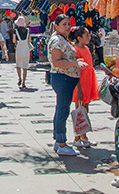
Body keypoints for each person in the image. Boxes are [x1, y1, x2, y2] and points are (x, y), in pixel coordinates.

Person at [48, 14, 86, 157]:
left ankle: (59, 140)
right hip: (62, 78)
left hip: (68, 78)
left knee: (62, 109)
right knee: (62, 110)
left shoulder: (64, 39)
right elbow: (57, 62)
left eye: (68, 24)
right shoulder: (57, 41)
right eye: (64, 24)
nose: (67, 27)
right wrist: (75, 63)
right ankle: (62, 143)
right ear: (56, 26)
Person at [69, 26, 100, 148]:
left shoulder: (86, 48)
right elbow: (76, 70)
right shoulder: (76, 50)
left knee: (85, 109)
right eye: (86, 35)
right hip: (80, 83)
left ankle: (82, 136)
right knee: (80, 110)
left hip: (88, 80)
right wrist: (79, 89)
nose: (89, 37)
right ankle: (78, 137)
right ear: (79, 38)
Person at [13, 16, 31, 88]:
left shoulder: (15, 31)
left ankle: (19, 78)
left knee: (18, 66)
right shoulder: (28, 30)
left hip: (19, 49)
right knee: (25, 67)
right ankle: (23, 82)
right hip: (26, 49)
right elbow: (29, 40)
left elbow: (14, 41)